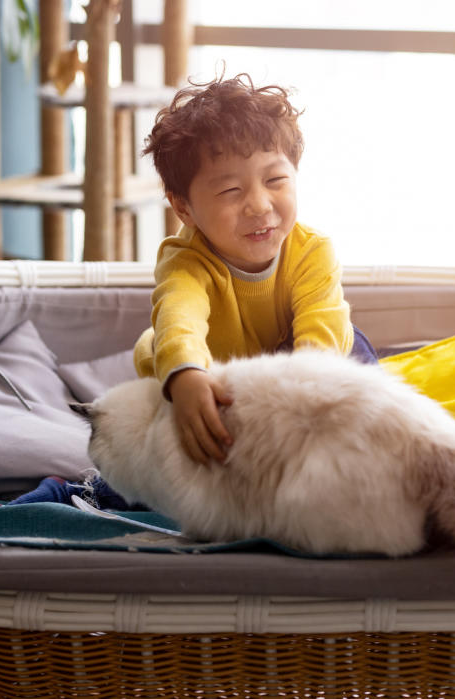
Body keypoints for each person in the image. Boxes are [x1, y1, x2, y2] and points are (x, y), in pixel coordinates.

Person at [134, 74, 375, 465]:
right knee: (162, 377)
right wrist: (185, 376)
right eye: (231, 191)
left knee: (355, 346)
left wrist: (303, 402)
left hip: (291, 373)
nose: (260, 205)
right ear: (183, 208)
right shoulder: (186, 261)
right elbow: (180, 318)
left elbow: (321, 337)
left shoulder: (312, 250)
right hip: (218, 378)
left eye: (276, 180)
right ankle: (90, 490)